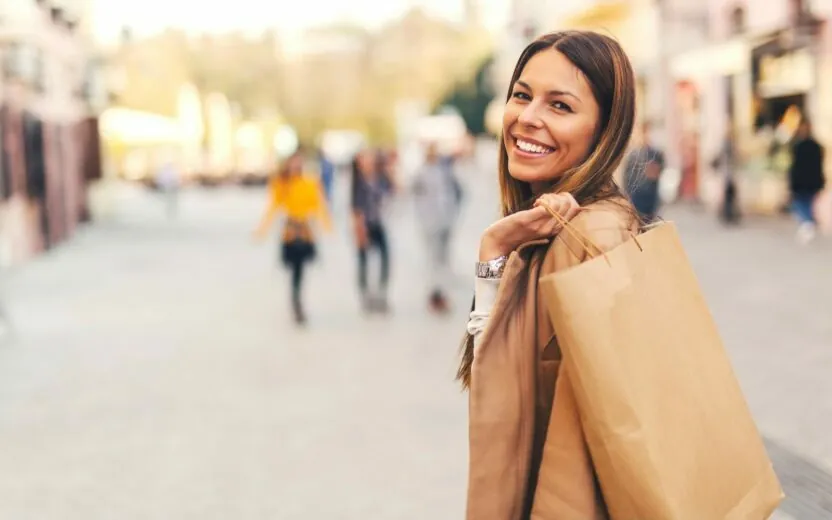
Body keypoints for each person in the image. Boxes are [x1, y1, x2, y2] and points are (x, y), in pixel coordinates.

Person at [457, 31, 642, 518]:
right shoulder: (542, 233)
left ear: (604, 131)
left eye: (560, 106)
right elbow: (503, 376)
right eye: (522, 95)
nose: (528, 118)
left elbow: (580, 445)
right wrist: (493, 251)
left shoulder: (595, 236)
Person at [254, 150, 331, 325]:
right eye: (293, 163)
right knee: (294, 268)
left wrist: (326, 225)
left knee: (300, 268)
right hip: (290, 229)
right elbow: (273, 207)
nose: (296, 166)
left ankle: (297, 302)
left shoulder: (310, 182)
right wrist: (262, 229)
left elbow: (318, 205)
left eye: (299, 163)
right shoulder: (281, 183)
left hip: (304, 230)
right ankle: (295, 302)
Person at [411, 141, 463, 313]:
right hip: (430, 221)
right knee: (433, 260)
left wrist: (453, 211)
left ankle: (442, 293)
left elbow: (457, 191)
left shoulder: (444, 171)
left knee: (444, 259)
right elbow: (414, 194)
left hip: (445, 219)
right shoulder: (421, 173)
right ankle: (435, 293)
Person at [351, 148, 395, 313]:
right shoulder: (357, 182)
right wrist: (358, 230)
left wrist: (390, 171)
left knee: (385, 259)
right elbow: (355, 207)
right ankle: (366, 296)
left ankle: (381, 293)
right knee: (364, 262)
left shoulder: (380, 178)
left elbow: (394, 190)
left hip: (378, 223)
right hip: (363, 225)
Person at [788, 118, 825, 244]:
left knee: (801, 202)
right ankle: (809, 221)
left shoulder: (799, 146)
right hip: (811, 180)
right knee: (805, 202)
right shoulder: (815, 146)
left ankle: (807, 221)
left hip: (803, 180)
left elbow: (795, 165)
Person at [623, 121, 664, 221]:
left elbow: (661, 168)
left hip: (651, 194)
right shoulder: (633, 154)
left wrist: (655, 171)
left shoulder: (656, 153)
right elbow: (627, 176)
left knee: (650, 222)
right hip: (637, 195)